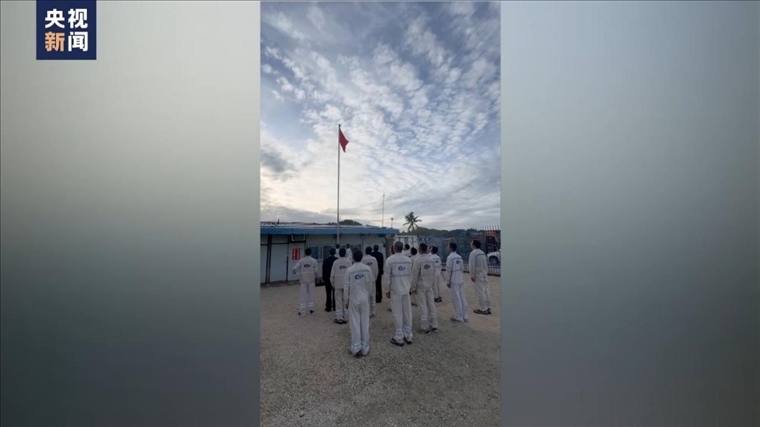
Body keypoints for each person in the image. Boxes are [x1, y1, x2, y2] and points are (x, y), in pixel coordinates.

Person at [383, 241, 414, 346]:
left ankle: (399, 337)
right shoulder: (408, 260)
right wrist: (410, 287)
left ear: (394, 248)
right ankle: (408, 335)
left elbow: (387, 277)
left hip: (395, 290)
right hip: (406, 290)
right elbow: (410, 275)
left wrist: (387, 290)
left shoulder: (390, 260)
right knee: (407, 313)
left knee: (397, 313)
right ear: (402, 248)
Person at [345, 250, 373, 357]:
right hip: (364, 299)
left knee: (355, 323)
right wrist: (368, 295)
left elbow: (346, 287)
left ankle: (356, 348)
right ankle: (365, 347)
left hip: (353, 299)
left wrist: (346, 300)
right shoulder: (367, 269)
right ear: (362, 257)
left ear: (353, 258)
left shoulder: (349, 270)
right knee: (365, 322)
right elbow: (370, 284)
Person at [411, 243, 439, 334]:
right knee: (431, 304)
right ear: (427, 249)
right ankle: (434, 324)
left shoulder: (418, 260)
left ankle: (424, 326)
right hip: (429, 285)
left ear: (419, 249)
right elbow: (434, 273)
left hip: (420, 286)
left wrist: (413, 287)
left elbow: (414, 274)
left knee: (422, 306)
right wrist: (433, 285)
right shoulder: (431, 260)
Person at [446, 242, 468, 323]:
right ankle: (465, 315)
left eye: (448, 246)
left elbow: (449, 270)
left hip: (454, 279)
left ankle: (459, 316)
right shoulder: (459, 257)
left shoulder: (450, 257)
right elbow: (462, 268)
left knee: (456, 298)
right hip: (460, 278)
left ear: (450, 248)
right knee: (462, 297)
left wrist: (448, 281)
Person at [292, 248, 318, 316]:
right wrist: (316, 278)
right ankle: (311, 310)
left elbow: (294, 268)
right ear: (311, 253)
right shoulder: (314, 261)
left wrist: (295, 273)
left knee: (303, 296)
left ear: (305, 253)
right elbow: (316, 271)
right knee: (311, 295)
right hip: (311, 280)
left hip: (303, 280)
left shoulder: (301, 261)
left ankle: (302, 311)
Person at [469, 240, 492, 315]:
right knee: (486, 291)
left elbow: (472, 265)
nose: (470, 245)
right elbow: (486, 264)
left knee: (480, 292)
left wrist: (472, 275)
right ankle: (488, 307)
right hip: (484, 274)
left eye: (471, 243)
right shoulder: (482, 253)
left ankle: (483, 309)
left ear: (474, 245)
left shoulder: (473, 253)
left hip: (478, 275)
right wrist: (486, 272)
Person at [330, 248, 352, 324]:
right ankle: (346, 317)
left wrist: (333, 284)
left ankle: (339, 317)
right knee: (346, 300)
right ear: (345, 254)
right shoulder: (348, 262)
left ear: (339, 254)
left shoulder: (335, 262)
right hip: (346, 285)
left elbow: (332, 275)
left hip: (337, 284)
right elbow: (351, 274)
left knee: (338, 301)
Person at [361, 247, 379, 317]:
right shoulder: (374, 259)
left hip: (365, 281)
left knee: (366, 296)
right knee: (373, 296)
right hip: (372, 280)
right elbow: (376, 269)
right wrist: (375, 277)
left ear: (365, 251)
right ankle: (373, 311)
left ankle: (367, 312)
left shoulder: (363, 259)